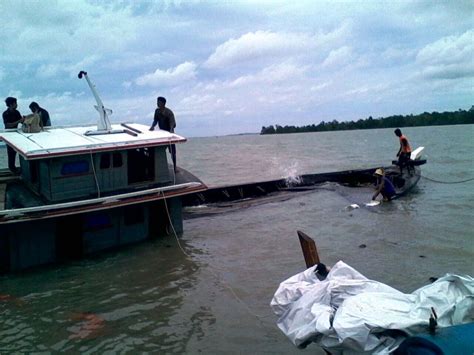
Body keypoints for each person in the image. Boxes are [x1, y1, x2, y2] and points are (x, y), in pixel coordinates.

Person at [149, 97, 177, 172]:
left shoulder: (169, 112)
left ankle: (175, 168)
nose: (157, 104)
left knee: (172, 152)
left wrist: (171, 129)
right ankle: (159, 167)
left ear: (163, 103)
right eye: (157, 102)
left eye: (159, 102)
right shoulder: (157, 111)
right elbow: (155, 120)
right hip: (162, 133)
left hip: (169, 134)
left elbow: (172, 123)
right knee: (160, 150)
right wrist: (152, 126)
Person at [2, 97, 24, 173]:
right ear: (11, 104)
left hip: (16, 135)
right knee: (11, 153)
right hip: (9, 136)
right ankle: (12, 169)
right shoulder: (5, 114)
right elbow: (8, 125)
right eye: (15, 103)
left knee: (20, 152)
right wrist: (19, 121)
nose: (17, 105)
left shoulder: (17, 112)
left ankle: (20, 168)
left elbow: (22, 122)